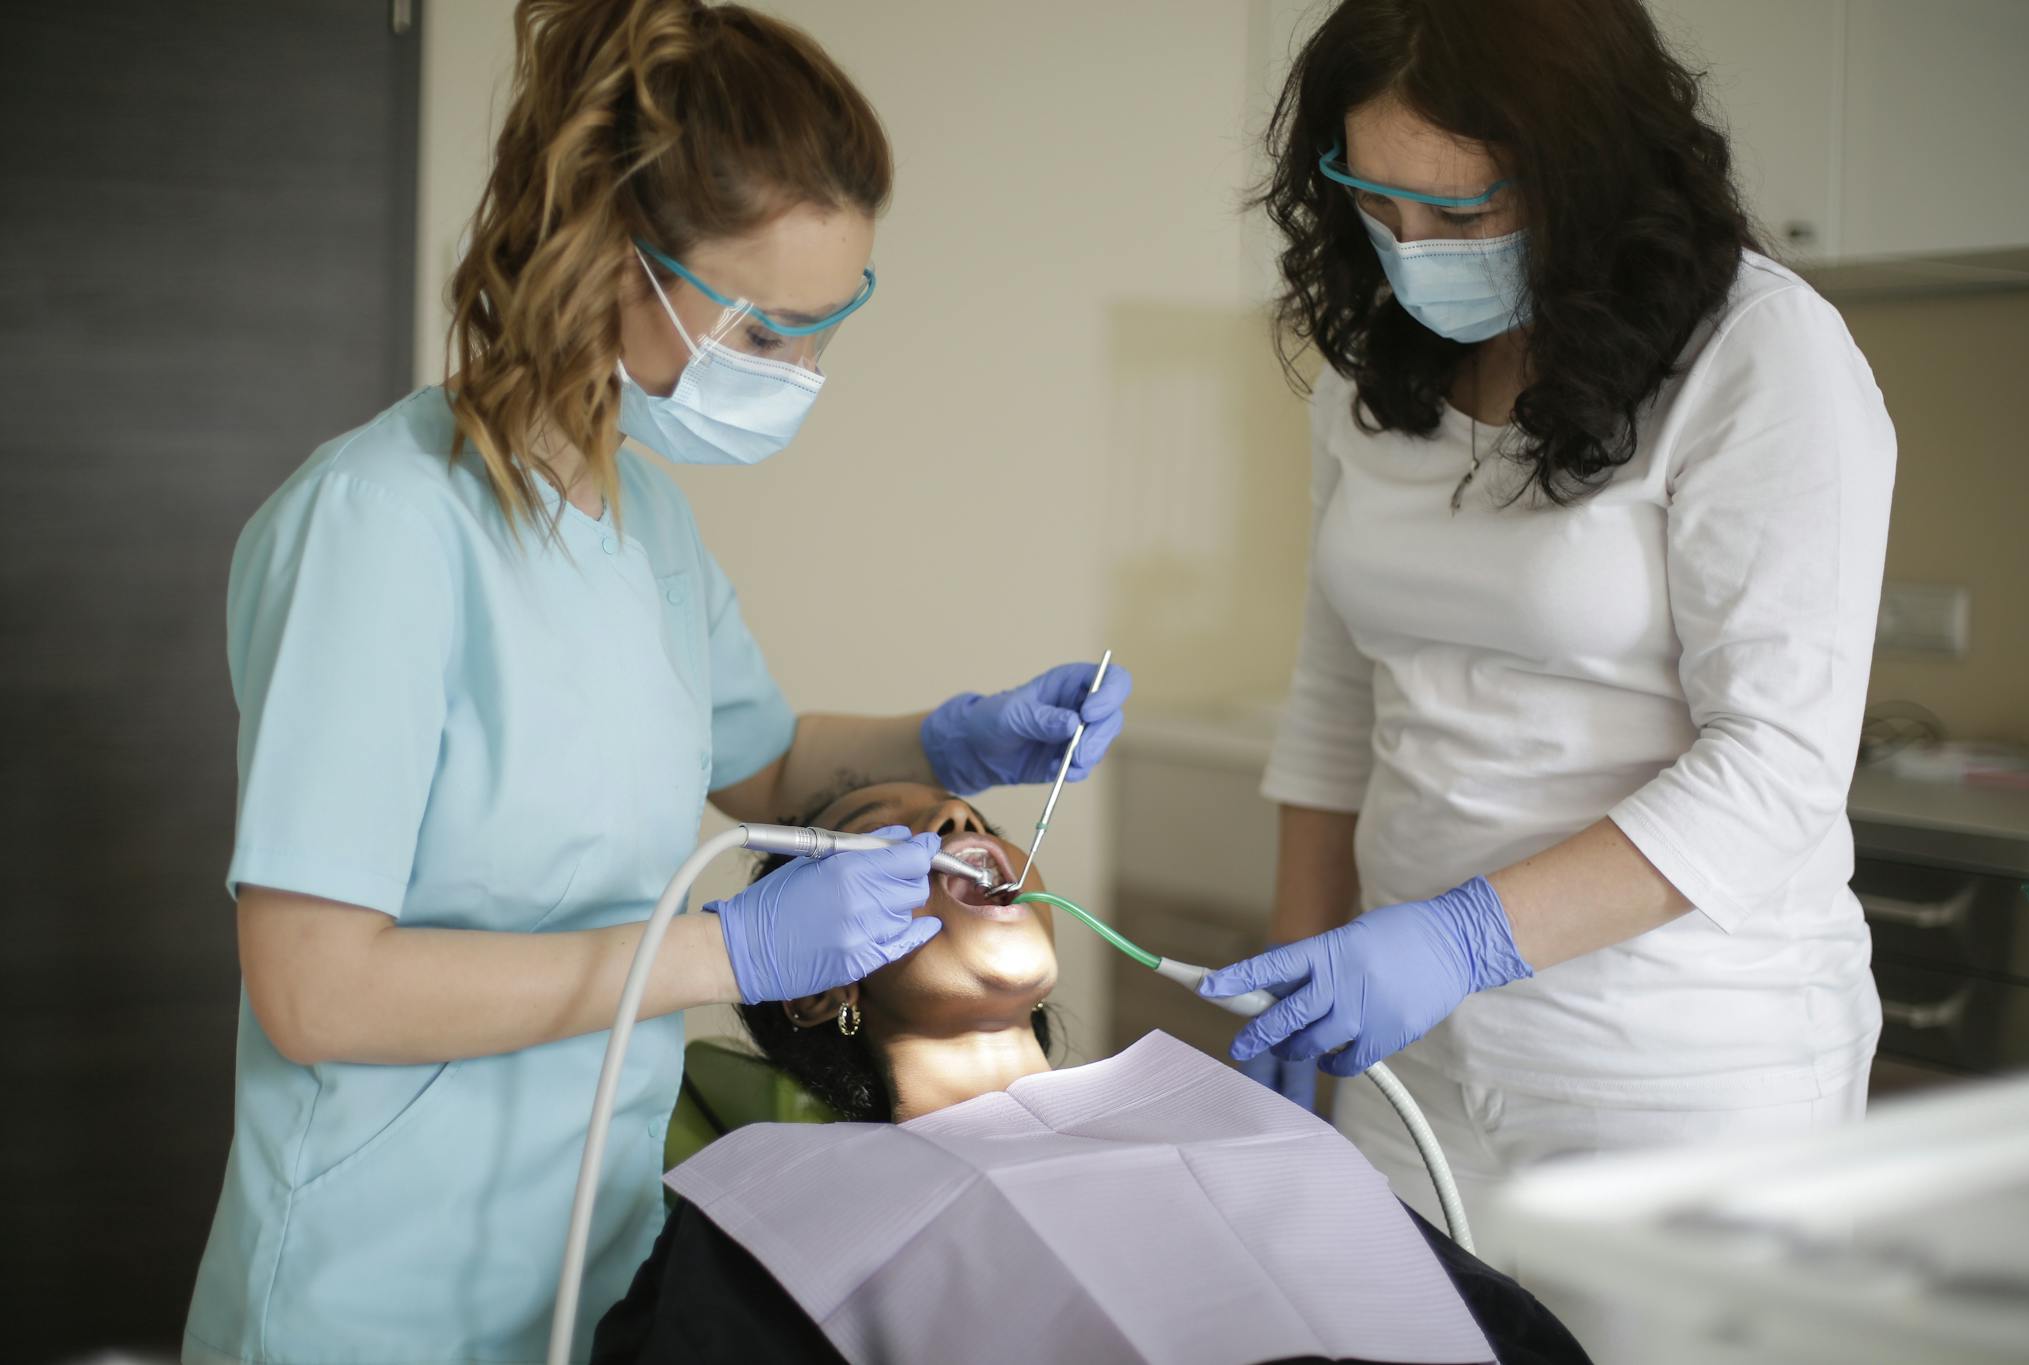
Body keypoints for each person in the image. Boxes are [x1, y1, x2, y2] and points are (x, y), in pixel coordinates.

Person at [180, 5, 1131, 1362]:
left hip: (589, 1263)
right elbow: (316, 989)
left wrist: (962, 738)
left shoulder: (643, 524)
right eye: (768, 329)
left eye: (828, 326)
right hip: (380, 1289)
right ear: (608, 257)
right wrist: (723, 956)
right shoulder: (381, 529)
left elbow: (760, 763)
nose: (802, 373)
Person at [1205, 0, 1893, 1347]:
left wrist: (1462, 936)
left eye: (1461, 218)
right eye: (1376, 204)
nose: (1412, 253)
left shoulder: (1762, 354)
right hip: (1418, 1069)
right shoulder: (1375, 375)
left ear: (1588, 170)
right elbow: (1339, 694)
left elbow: (1778, 768)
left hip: (1682, 1081)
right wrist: (1303, 960)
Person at [592, 780, 1587, 1365]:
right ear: (815, 985)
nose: (955, 825)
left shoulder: (1226, 1119)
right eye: (888, 839)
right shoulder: (782, 1213)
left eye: (969, 814)